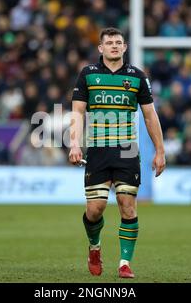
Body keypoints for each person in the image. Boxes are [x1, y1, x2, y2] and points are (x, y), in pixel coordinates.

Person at [69, 27, 166, 278]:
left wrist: (160, 151)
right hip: (98, 151)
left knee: (127, 206)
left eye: (118, 42)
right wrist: (75, 143)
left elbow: (149, 115)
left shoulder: (137, 76)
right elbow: (78, 112)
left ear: (124, 47)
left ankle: (124, 263)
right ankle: (94, 247)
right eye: (109, 42)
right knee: (95, 210)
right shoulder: (88, 74)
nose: (114, 46)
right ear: (100, 48)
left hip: (126, 150)